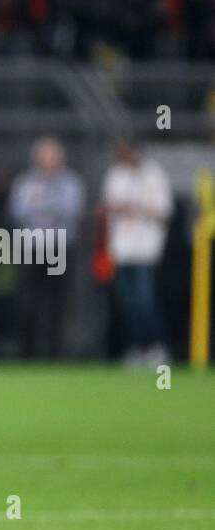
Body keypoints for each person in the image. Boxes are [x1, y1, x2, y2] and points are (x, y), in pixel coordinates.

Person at [7, 136, 85, 359]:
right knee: (28, 301)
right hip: (32, 247)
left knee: (57, 303)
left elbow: (71, 211)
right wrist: (46, 209)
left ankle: (54, 353)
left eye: (52, 157)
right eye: (45, 157)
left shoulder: (71, 183)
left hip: (59, 248)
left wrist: (43, 206)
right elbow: (18, 211)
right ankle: (27, 353)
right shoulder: (26, 182)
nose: (48, 161)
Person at [101, 139, 173, 366]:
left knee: (145, 300)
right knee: (127, 302)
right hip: (122, 249)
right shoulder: (116, 174)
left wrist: (138, 206)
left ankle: (157, 347)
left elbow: (163, 212)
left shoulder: (154, 175)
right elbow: (107, 207)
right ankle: (137, 348)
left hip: (146, 250)